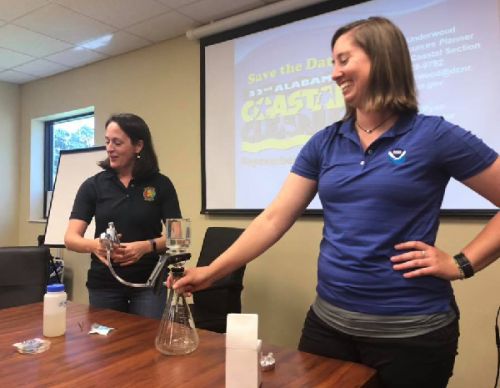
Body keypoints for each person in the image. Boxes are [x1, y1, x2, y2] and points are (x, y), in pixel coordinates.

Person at [173, 17, 500, 388]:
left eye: (344, 60)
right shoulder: (324, 143)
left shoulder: (434, 134)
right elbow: (274, 219)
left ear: (382, 58)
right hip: (329, 327)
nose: (334, 73)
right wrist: (210, 272)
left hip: (412, 334)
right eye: (332, 62)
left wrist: (461, 263)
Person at [65, 113, 181, 319]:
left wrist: (145, 247)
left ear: (138, 146)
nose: (109, 148)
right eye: (107, 141)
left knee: (144, 345)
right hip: (104, 285)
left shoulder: (162, 184)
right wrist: (96, 246)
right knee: (106, 347)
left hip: (149, 284)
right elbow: (70, 239)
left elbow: (179, 238)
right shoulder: (93, 185)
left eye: (117, 142)